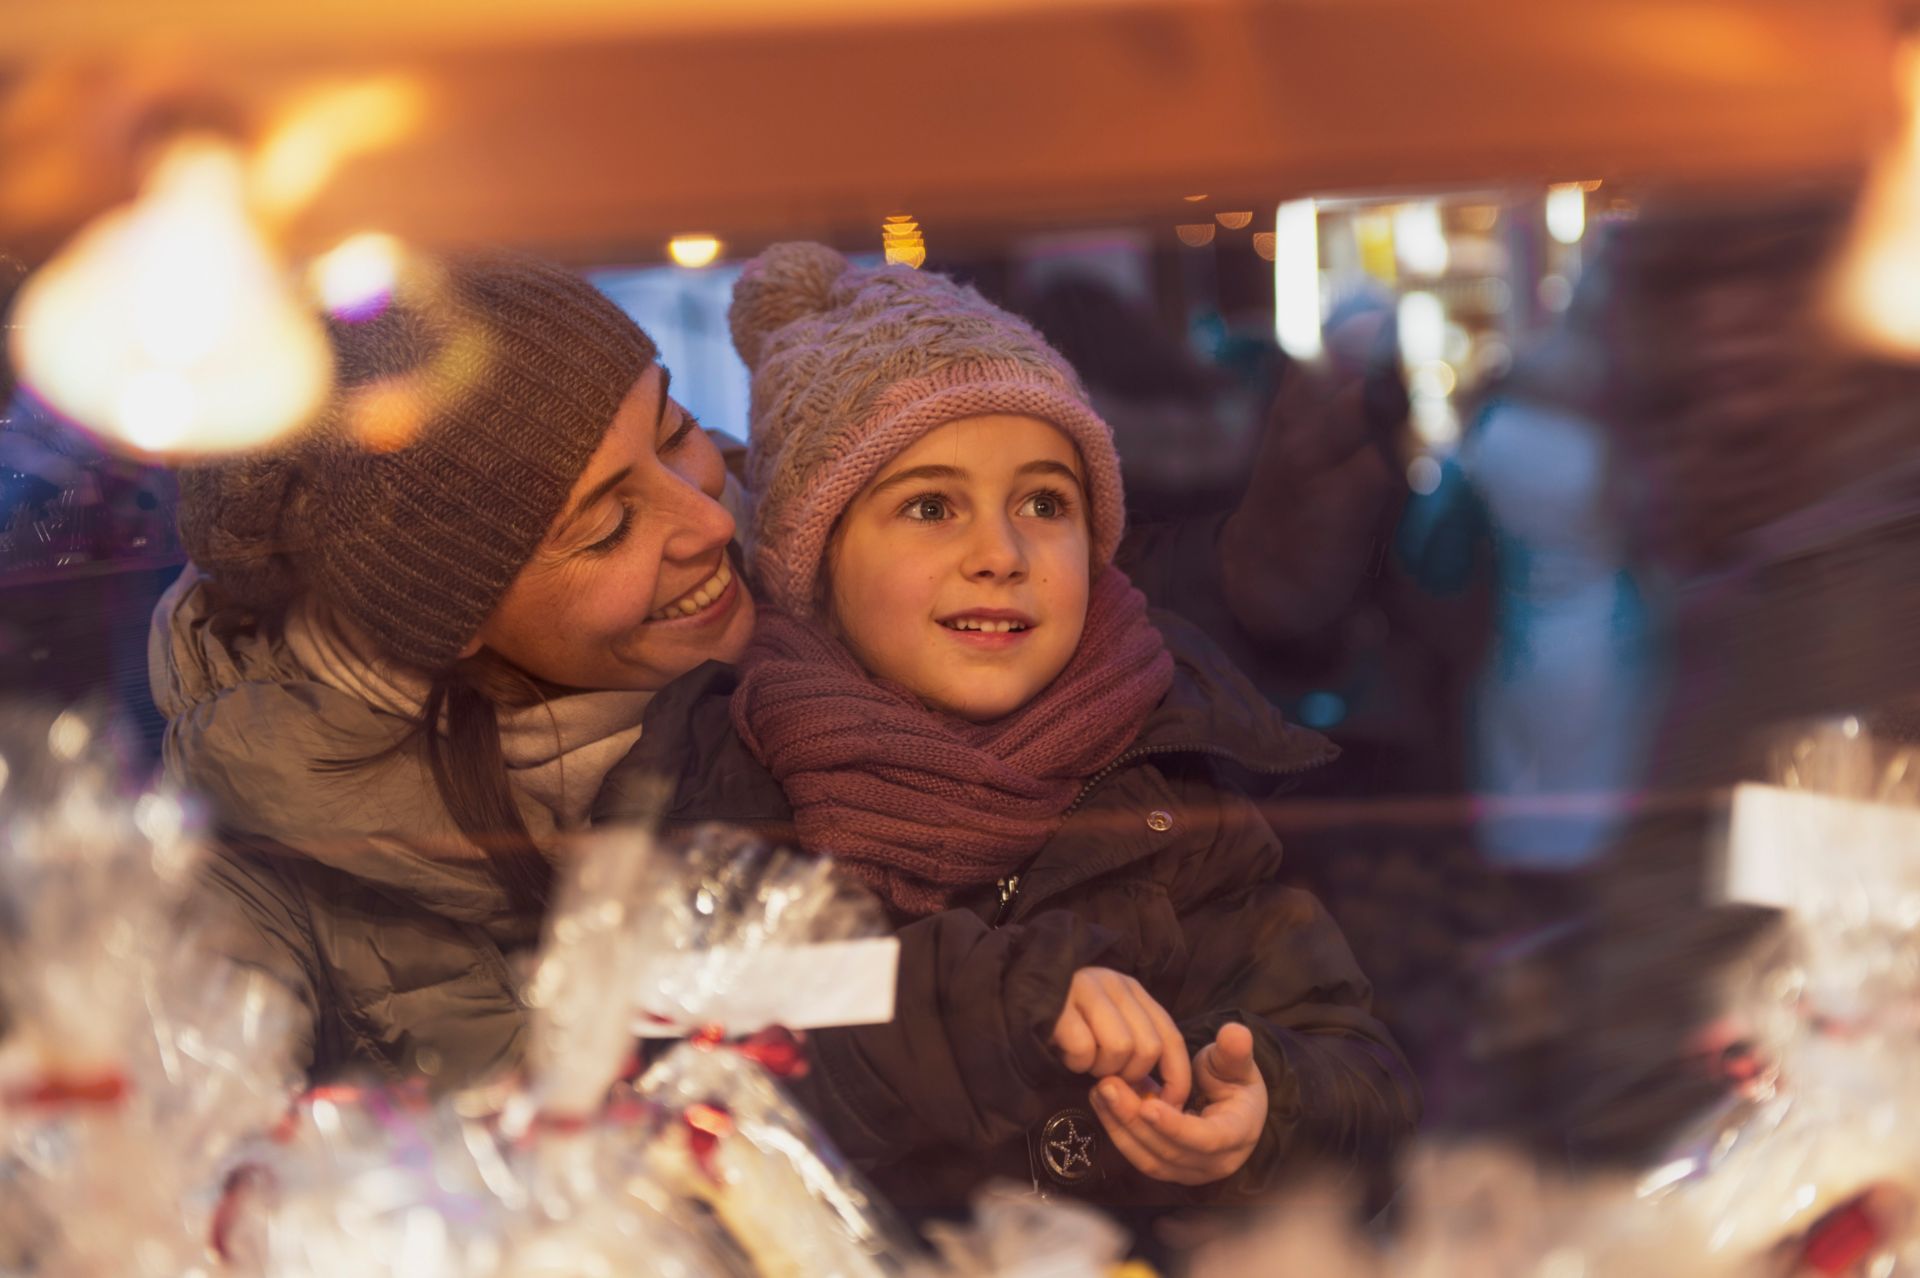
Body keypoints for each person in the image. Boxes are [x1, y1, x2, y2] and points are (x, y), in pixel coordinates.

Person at [597, 243, 1419, 1213]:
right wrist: (999, 997)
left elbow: (1358, 1068)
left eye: (1044, 501)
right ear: (812, 561)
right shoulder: (722, 778)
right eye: (932, 506)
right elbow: (687, 1041)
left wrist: (1263, 1103)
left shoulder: (1171, 770)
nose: (1001, 552)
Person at [152, 252, 755, 1083]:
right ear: (455, 618)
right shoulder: (259, 879)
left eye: (675, 431)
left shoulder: (848, 573)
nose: (710, 522)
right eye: (610, 525)